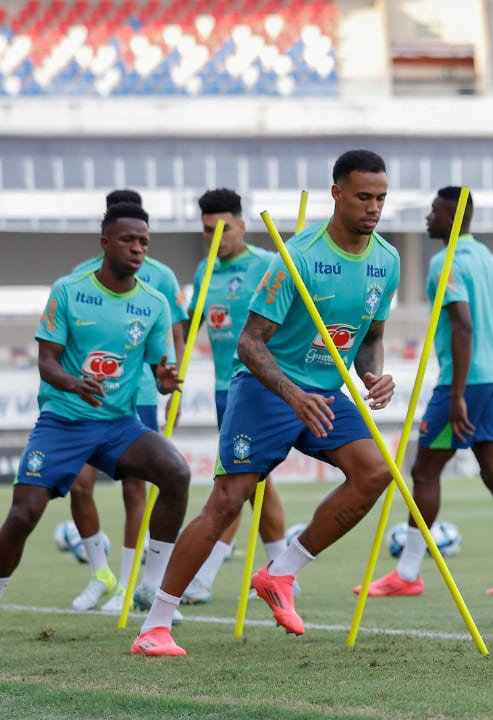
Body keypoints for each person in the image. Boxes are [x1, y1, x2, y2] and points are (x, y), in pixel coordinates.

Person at [132, 149, 401, 656]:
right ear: (337, 192)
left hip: (323, 394)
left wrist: (374, 374)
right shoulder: (296, 256)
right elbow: (249, 344)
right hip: (266, 390)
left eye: (381, 198)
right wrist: (292, 394)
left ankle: (281, 573)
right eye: (364, 196)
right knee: (228, 503)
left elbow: (372, 337)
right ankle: (156, 625)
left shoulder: (387, 259)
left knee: (376, 472)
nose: (373, 207)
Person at [0, 203, 190, 605]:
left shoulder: (155, 303)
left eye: (144, 242)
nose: (137, 249)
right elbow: (46, 362)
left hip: (119, 425)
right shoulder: (68, 290)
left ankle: (150, 587)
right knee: (23, 515)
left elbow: (160, 372)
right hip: (63, 422)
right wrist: (74, 384)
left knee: (175, 472)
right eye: (128, 240)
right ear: (106, 243)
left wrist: (167, 380)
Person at [359, 187, 493, 599]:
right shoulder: (488, 259)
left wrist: (456, 395)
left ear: (451, 216)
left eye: (434, 211)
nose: (427, 218)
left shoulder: (444, 262)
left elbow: (463, 324)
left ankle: (408, 572)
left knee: (424, 471)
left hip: (465, 381)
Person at [67, 190, 191, 614]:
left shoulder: (162, 276)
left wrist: (170, 379)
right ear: (107, 234)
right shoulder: (81, 277)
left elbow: (177, 332)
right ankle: (100, 573)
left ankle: (128, 583)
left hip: (138, 397)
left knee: (136, 489)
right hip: (86, 401)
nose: (135, 245)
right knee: (79, 484)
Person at [180, 188, 292, 605]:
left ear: (242, 226)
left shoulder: (268, 264)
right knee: (250, 483)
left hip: (260, 387)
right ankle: (282, 572)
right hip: (223, 390)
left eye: (223, 228)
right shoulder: (203, 272)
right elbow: (192, 323)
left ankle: (206, 577)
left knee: (238, 482)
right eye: (208, 230)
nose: (215, 237)